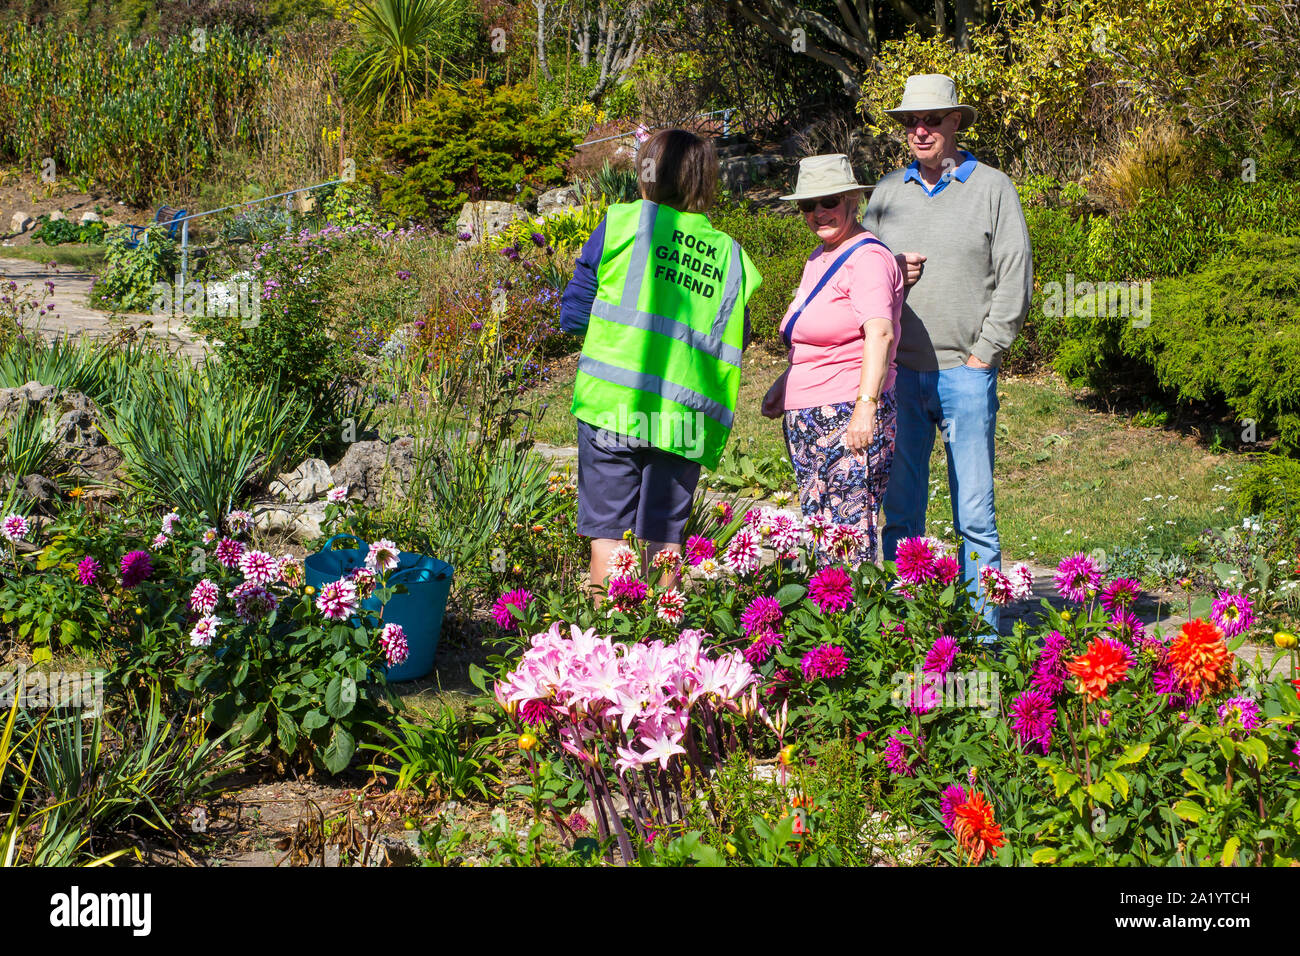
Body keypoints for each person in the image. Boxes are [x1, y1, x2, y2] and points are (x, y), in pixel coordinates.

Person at [861, 74, 1033, 636]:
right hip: (898, 376)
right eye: (911, 121)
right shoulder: (886, 194)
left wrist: (986, 354)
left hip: (965, 373)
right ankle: (908, 632)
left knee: (975, 515)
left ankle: (984, 638)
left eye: (933, 120)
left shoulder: (994, 188)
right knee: (902, 513)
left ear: (956, 122)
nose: (920, 130)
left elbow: (1016, 278)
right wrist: (894, 276)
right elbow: (859, 279)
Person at [559, 128, 763, 598]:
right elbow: (740, 336)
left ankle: (606, 648)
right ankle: (660, 645)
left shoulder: (621, 223)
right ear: (705, 181)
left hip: (613, 405)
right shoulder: (731, 256)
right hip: (683, 420)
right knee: (664, 540)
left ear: (648, 174)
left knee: (609, 536)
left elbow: (574, 315)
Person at [761, 154, 903, 567]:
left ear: (853, 201)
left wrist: (865, 408)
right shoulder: (818, 257)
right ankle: (829, 625)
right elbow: (813, 334)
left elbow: (880, 333)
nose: (819, 212)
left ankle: (852, 627)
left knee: (848, 536)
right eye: (808, 205)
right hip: (809, 414)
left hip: (845, 413)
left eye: (830, 201)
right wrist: (783, 386)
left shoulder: (868, 258)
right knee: (821, 530)